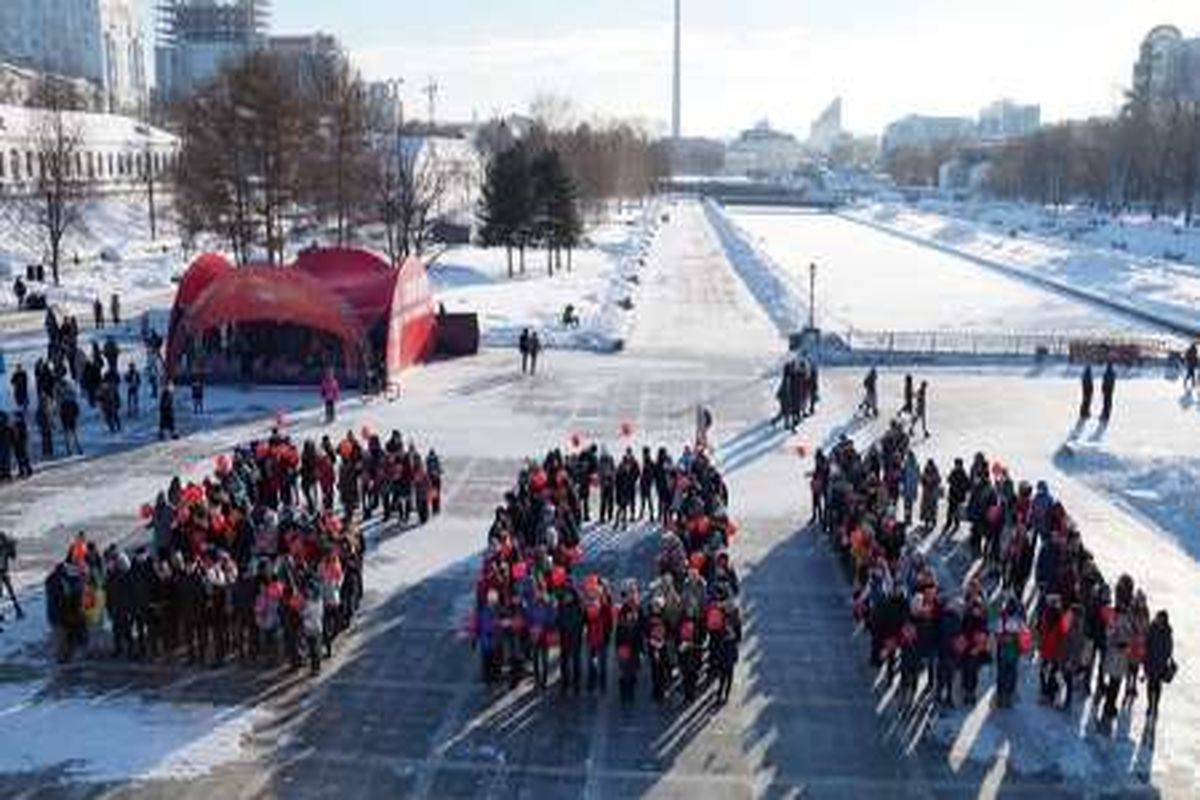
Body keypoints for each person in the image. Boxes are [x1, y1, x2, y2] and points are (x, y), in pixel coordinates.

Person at [1143, 610, 1174, 723]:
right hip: (1151, 662)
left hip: (1160, 663)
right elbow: (1147, 643)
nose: (1160, 620)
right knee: (1150, 685)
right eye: (1159, 618)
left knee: (1157, 687)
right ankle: (1150, 705)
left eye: (1162, 619)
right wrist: (1146, 659)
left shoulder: (1167, 632)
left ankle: (1155, 706)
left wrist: (1165, 658)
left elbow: (1169, 647)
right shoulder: (1152, 629)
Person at [0, 531, 22, 621]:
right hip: (4, 571)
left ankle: (18, 610)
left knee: (9, 592)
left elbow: (13, 556)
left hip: (4, 571)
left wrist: (11, 546)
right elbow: (13, 556)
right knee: (9, 592)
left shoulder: (5, 544)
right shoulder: (5, 543)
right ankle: (18, 610)